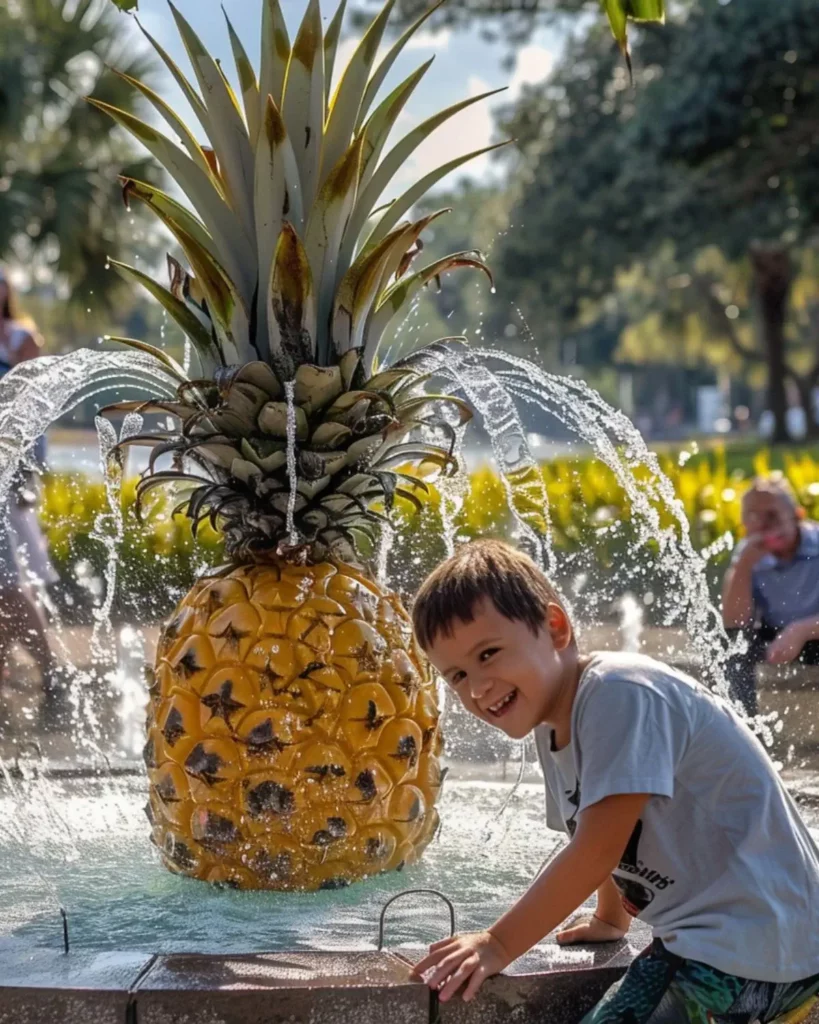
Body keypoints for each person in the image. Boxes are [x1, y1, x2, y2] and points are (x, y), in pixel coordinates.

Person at [409, 539, 819, 1023]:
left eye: (489, 653)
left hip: (753, 944)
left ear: (555, 627)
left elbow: (596, 850)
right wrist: (611, 919)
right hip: (729, 941)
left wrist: (498, 944)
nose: (477, 688)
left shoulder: (617, 693)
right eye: (456, 675)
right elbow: (597, 828)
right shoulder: (553, 724)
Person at [0, 267, 61, 722]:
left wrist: (26, 475)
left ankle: (54, 673)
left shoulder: (19, 337)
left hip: (7, 476)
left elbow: (32, 413)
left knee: (8, 583)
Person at [722, 475, 819, 715]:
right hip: (775, 636)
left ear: (797, 516)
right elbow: (734, 622)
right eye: (753, 517)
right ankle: (742, 726)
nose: (764, 526)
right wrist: (743, 566)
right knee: (729, 644)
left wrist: (800, 630)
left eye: (772, 515)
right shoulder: (749, 554)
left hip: (813, 631)